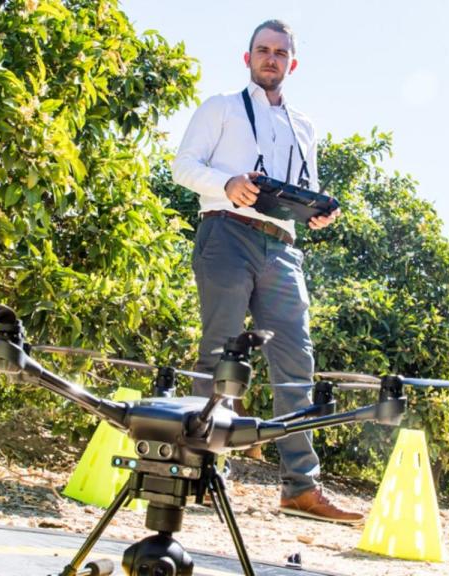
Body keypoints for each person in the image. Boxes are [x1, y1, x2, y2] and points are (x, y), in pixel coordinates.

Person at [171, 19, 363, 524]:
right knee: (220, 353)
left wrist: (318, 212)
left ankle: (301, 488)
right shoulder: (222, 107)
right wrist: (228, 181)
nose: (271, 58)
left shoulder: (305, 126)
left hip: (282, 247)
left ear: (292, 63)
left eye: (280, 52)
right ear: (248, 57)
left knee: (296, 360)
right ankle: (203, 473)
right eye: (263, 50)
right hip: (226, 231)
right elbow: (183, 165)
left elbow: (304, 189)